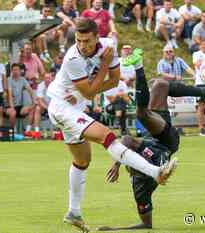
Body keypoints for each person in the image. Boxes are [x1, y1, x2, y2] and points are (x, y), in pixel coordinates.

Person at [46, 18, 178, 232]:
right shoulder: (72, 58)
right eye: (79, 40)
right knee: (106, 135)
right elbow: (90, 91)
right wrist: (101, 71)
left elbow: (115, 81)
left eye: (86, 40)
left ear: (97, 37)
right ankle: (156, 172)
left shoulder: (109, 46)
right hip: (61, 106)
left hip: (74, 108)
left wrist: (86, 89)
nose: (82, 45)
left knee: (82, 161)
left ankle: (73, 212)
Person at [97, 47, 205, 231]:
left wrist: (117, 163)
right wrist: (114, 230)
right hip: (167, 141)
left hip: (153, 133)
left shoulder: (137, 176)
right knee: (142, 113)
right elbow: (146, 225)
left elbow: (128, 140)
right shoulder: (140, 190)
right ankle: (138, 65)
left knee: (161, 85)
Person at [6, 63, 36, 132]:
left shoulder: (23, 79)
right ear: (11, 71)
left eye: (16, 70)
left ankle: (27, 131)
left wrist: (34, 102)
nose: (15, 71)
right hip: (9, 106)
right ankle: (14, 131)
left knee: (31, 108)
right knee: (13, 113)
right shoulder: (9, 80)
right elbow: (9, 95)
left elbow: (31, 91)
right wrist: (12, 107)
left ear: (20, 71)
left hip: (20, 106)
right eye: (13, 70)